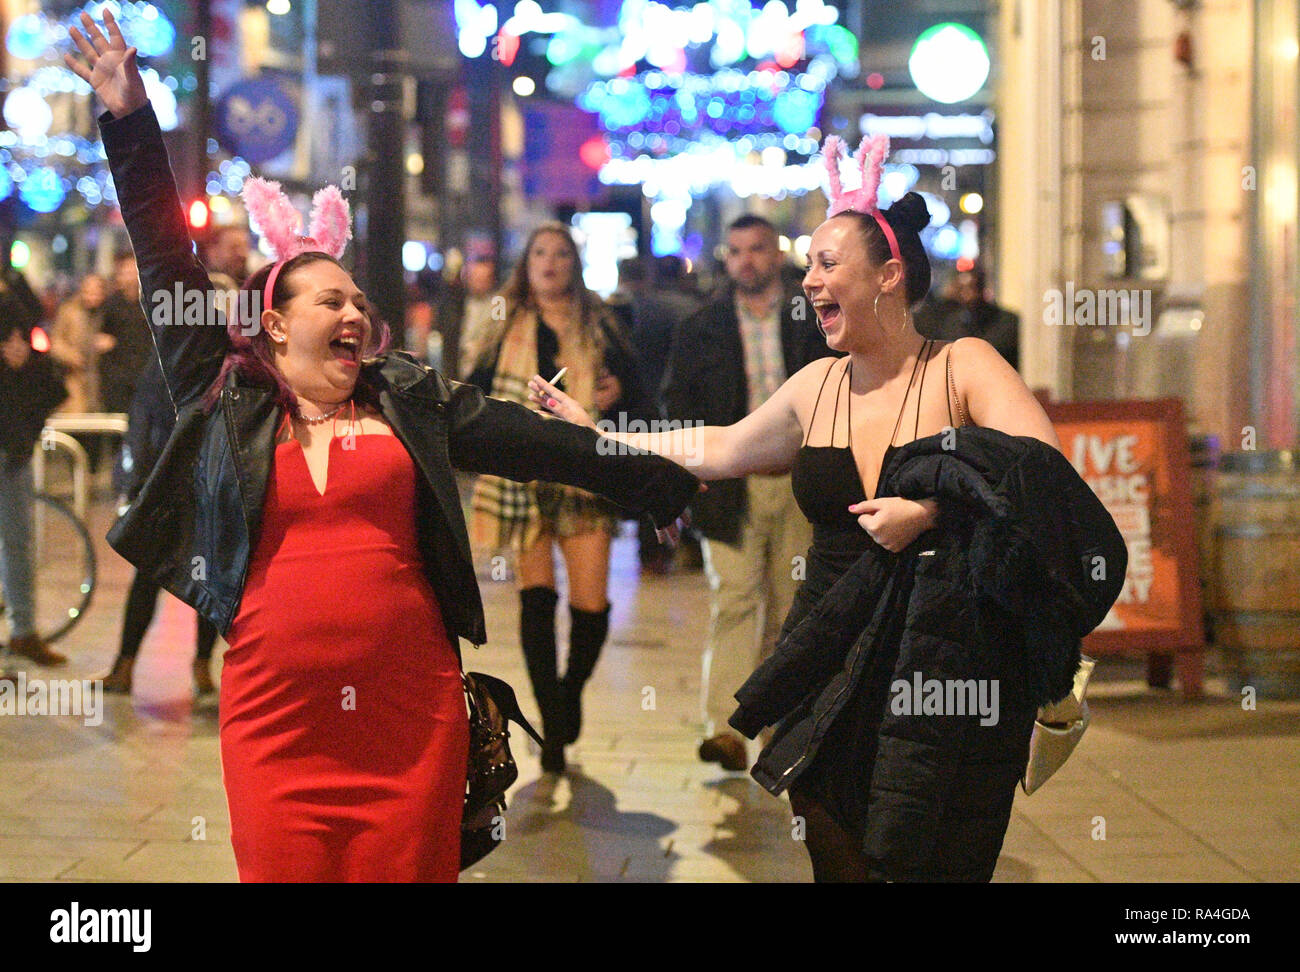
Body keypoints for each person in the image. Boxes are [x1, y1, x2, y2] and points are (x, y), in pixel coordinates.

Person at [66, 10, 696, 883]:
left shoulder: (408, 394)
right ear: (274, 323)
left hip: (410, 718)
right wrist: (131, 123)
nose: (355, 312)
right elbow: (163, 250)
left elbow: (532, 443)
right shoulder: (221, 392)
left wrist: (660, 476)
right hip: (273, 721)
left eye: (359, 299)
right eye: (331, 300)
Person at [530, 134, 1125, 882]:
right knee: (831, 843)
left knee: (930, 855)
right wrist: (600, 433)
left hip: (947, 655)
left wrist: (936, 510)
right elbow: (722, 447)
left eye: (826, 262)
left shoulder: (963, 365)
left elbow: (1042, 478)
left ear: (888, 275)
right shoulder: (817, 383)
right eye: (807, 262)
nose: (807, 281)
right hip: (831, 653)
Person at [464, 222, 657, 775]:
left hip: (582, 476)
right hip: (522, 479)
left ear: (575, 264)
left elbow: (643, 401)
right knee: (536, 598)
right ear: (526, 265)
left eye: (561, 254)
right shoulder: (504, 326)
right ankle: (550, 722)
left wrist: (614, 398)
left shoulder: (603, 325)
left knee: (591, 606)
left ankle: (568, 696)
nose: (550, 263)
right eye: (539, 253)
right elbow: (473, 394)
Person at [660, 214, 830, 771]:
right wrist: (687, 478)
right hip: (730, 483)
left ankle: (779, 724)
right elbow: (677, 406)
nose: (747, 261)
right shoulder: (700, 326)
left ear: (776, 253)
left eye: (757, 249)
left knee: (792, 607)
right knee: (734, 601)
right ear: (725, 259)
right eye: (736, 252)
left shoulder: (813, 318)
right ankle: (728, 729)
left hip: (802, 477)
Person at [98, 357, 220, 698]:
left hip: (198, 479)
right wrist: (136, 481)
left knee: (206, 578)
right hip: (166, 479)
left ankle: (199, 663)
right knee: (154, 574)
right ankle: (127, 666)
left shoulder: (204, 352)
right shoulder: (173, 356)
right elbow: (144, 418)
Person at [0, 269, 69, 674]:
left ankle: (23, 632)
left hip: (12, 444)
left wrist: (23, 355)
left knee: (19, 542)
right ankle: (23, 631)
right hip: (13, 441)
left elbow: (31, 344)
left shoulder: (14, 296)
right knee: (17, 543)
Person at [916, 264, 1020, 370]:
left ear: (983, 290)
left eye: (972, 288)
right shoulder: (951, 323)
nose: (967, 295)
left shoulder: (1008, 323)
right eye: (961, 289)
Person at [98, 253, 153, 414]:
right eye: (124, 272)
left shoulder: (151, 304)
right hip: (118, 379)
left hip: (145, 376)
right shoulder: (111, 305)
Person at [49, 273, 109, 413]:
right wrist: (71, 356)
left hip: (100, 381)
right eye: (88, 291)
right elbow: (56, 343)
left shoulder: (107, 312)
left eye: (96, 292)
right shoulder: (69, 311)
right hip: (75, 379)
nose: (92, 296)